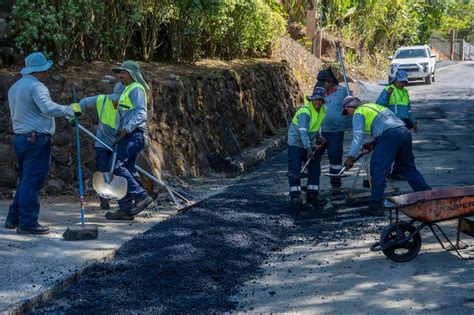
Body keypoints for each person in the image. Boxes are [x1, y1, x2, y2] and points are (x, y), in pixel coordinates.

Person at [5, 52, 81, 234]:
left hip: (21, 138)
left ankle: (13, 218)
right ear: (39, 70)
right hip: (35, 139)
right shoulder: (36, 86)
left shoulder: (15, 87)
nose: (47, 73)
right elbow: (47, 108)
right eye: (45, 69)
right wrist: (69, 109)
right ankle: (28, 223)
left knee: (25, 180)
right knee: (33, 181)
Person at [341, 96, 430, 216]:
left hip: (390, 135)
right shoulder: (374, 106)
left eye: (346, 112)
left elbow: (358, 137)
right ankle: (428, 196)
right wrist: (374, 143)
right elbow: (389, 126)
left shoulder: (359, 112)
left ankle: (375, 206)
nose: (348, 115)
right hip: (404, 132)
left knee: (378, 169)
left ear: (349, 107)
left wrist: (350, 157)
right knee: (407, 168)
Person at [105, 60, 154, 220]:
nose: (119, 76)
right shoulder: (127, 90)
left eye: (122, 72)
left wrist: (126, 129)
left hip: (134, 134)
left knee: (117, 166)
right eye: (119, 73)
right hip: (127, 135)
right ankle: (125, 209)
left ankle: (141, 196)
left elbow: (141, 113)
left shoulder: (136, 89)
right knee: (128, 169)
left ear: (132, 74)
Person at [73, 83, 125, 210]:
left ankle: (123, 201)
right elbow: (84, 102)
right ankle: (104, 199)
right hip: (102, 142)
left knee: (118, 170)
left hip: (119, 142)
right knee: (103, 170)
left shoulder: (127, 104)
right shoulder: (103, 99)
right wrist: (75, 111)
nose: (116, 100)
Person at [287, 86, 328, 209]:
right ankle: (295, 196)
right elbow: (303, 132)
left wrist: (320, 136)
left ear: (323, 101)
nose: (317, 102)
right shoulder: (304, 112)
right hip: (296, 143)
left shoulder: (323, 110)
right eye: (316, 100)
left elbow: (318, 124)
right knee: (295, 169)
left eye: (320, 100)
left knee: (314, 168)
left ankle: (312, 195)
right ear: (312, 99)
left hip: (309, 142)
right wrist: (308, 149)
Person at [376, 70, 417, 180]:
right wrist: (387, 95)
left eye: (404, 82)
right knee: (390, 150)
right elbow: (379, 105)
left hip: (404, 124)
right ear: (395, 80)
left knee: (402, 149)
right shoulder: (387, 90)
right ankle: (385, 174)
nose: (403, 83)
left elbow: (408, 109)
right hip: (392, 125)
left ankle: (396, 172)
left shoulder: (405, 92)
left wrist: (413, 122)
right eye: (401, 81)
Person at [316, 68, 349, 197]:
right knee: (314, 157)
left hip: (336, 131)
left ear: (330, 81)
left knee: (335, 158)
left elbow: (350, 104)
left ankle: (336, 186)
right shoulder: (319, 91)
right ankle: (312, 186)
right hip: (320, 131)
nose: (321, 86)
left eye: (323, 83)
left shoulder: (342, 92)